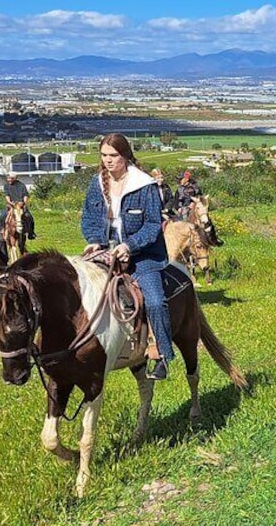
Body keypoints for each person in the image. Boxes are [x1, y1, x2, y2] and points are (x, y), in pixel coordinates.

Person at [80, 134, 175, 380]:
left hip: (143, 255)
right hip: (105, 250)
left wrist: (129, 246)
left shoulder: (144, 185)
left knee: (155, 301)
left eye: (114, 156)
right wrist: (94, 241)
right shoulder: (97, 183)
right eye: (104, 155)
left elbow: (153, 225)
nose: (108, 161)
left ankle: (163, 354)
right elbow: (89, 218)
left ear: (125, 156)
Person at [0, 173, 37, 239]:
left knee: (29, 216)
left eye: (10, 178)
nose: (8, 180)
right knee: (2, 215)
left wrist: (24, 202)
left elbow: (25, 195)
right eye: (8, 178)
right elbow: (7, 195)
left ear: (15, 178)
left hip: (20, 206)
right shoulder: (6, 186)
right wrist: (10, 202)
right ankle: (1, 230)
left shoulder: (21, 185)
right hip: (11, 206)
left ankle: (31, 232)